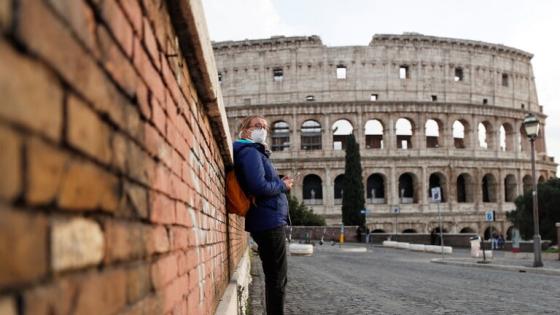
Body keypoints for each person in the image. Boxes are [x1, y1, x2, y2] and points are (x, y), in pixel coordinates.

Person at [233, 115, 294, 315]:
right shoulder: (250, 152)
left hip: (266, 218)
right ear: (245, 129)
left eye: (265, 127)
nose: (263, 129)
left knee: (274, 276)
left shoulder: (253, 151)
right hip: (268, 220)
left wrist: (277, 183)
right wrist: (282, 185)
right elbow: (258, 186)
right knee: (278, 277)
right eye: (258, 125)